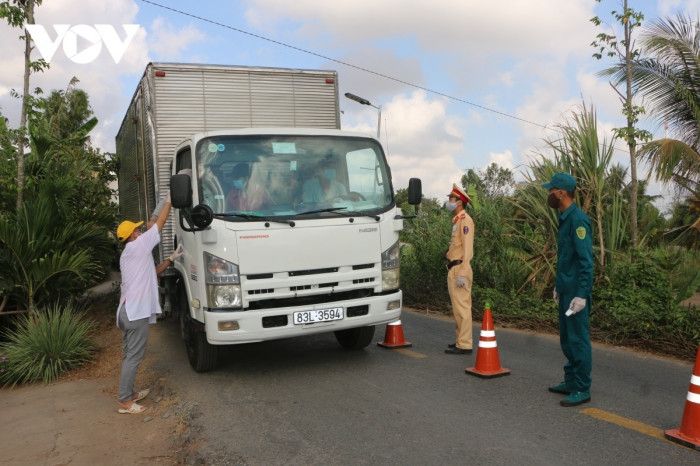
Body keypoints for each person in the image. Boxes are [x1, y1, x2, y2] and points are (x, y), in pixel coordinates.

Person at [115, 193, 183, 414]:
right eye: (137, 229)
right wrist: (170, 201)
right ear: (132, 235)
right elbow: (159, 224)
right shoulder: (137, 247)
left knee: (129, 355)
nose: (140, 230)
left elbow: (153, 272)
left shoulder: (130, 253)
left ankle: (130, 393)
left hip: (127, 312)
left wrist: (170, 259)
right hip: (135, 314)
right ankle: (125, 401)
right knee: (133, 357)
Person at [543, 172, 593, 407]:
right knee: (566, 339)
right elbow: (565, 258)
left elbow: (585, 261)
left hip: (576, 293)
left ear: (561, 192)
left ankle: (582, 388)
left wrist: (582, 294)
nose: (549, 194)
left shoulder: (578, 220)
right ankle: (570, 381)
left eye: (551, 190)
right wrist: (558, 285)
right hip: (566, 289)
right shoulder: (564, 217)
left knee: (578, 339)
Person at [444, 184, 475, 355]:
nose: (449, 201)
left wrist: (463, 272)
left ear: (459, 202)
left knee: (462, 307)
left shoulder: (465, 220)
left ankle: (464, 344)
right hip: (454, 267)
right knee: (457, 308)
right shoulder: (457, 221)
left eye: (451, 198)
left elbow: (468, 248)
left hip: (460, 268)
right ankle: (460, 340)